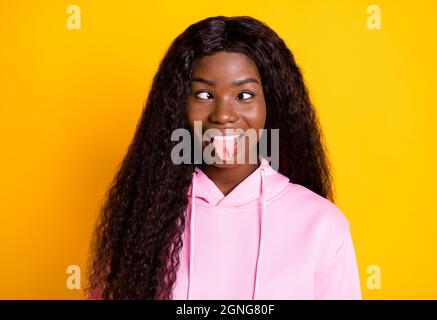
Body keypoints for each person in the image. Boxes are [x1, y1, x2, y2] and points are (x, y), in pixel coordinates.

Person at [87, 15, 362, 300]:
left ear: (271, 103)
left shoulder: (322, 224)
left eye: (244, 95)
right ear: (179, 104)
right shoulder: (140, 220)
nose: (223, 115)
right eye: (204, 94)